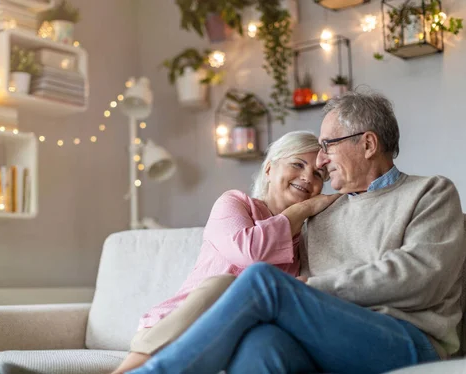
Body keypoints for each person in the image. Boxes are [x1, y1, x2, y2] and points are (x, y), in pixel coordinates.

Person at [126, 89, 466, 374]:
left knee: (263, 281)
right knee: (258, 343)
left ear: (367, 145)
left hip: (407, 341)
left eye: (328, 145)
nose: (320, 161)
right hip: (327, 337)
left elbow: (423, 277)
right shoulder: (322, 213)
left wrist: (314, 288)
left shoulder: (431, 192)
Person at [112, 131, 340, 373]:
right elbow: (250, 253)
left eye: (318, 174)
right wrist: (302, 210)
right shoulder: (234, 204)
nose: (307, 177)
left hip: (233, 340)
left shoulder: (305, 240)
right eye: (298, 164)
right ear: (269, 169)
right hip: (174, 329)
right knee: (225, 284)